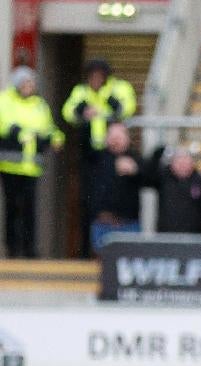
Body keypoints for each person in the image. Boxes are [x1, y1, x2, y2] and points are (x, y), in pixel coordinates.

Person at [61, 59, 137, 257]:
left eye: (99, 75)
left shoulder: (118, 88)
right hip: (90, 154)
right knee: (88, 201)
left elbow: (128, 108)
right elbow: (67, 112)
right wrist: (82, 111)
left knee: (115, 196)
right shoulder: (82, 91)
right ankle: (86, 251)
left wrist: (110, 108)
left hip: (113, 153)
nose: (95, 80)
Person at [0, 66, 64, 258]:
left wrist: (56, 138)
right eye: (26, 83)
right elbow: (5, 126)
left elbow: (48, 128)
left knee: (30, 210)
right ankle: (12, 249)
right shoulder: (5, 101)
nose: (30, 86)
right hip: (10, 165)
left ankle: (29, 250)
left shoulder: (39, 105)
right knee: (12, 209)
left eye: (32, 83)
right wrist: (20, 133)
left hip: (32, 167)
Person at [89, 123, 142, 252]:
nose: (116, 139)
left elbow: (151, 179)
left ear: (127, 139)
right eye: (113, 135)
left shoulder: (136, 158)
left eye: (120, 135)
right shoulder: (97, 158)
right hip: (103, 224)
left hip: (128, 225)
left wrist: (136, 170)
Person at [148, 146, 201, 233]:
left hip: (196, 237)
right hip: (167, 236)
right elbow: (147, 175)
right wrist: (158, 152)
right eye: (178, 161)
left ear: (192, 163)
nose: (182, 164)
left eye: (185, 160)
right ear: (172, 164)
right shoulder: (163, 178)